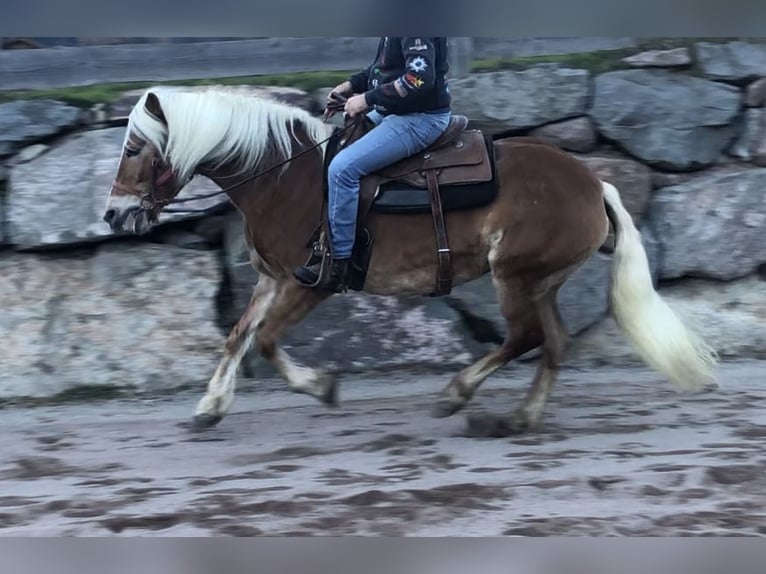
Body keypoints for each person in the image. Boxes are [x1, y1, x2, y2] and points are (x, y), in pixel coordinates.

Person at [294, 37, 452, 292]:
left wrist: (366, 99)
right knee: (334, 146)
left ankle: (338, 265)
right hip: (394, 111)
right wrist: (351, 85)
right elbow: (383, 70)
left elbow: (419, 79)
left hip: (419, 119)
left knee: (342, 169)